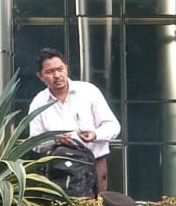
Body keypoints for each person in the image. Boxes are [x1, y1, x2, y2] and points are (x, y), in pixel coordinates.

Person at [28, 47, 122, 193]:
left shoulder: (88, 91)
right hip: (57, 169)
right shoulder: (38, 102)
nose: (57, 75)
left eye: (60, 69)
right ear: (40, 76)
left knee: (95, 205)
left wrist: (95, 135)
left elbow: (113, 126)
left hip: (94, 164)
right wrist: (55, 139)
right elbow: (34, 143)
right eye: (50, 72)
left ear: (66, 68)